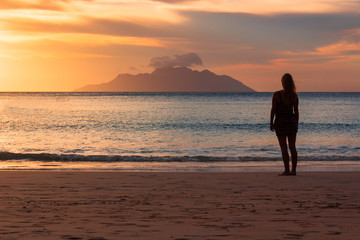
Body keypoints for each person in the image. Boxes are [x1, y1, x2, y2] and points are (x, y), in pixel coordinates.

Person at [270, 73, 299, 176]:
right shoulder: (294, 96)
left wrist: (271, 123)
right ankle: (293, 170)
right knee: (292, 147)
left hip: (280, 122)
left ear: (282, 82)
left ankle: (287, 170)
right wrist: (296, 124)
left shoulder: (277, 95)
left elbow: (273, 110)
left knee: (284, 148)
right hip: (291, 122)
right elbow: (296, 112)